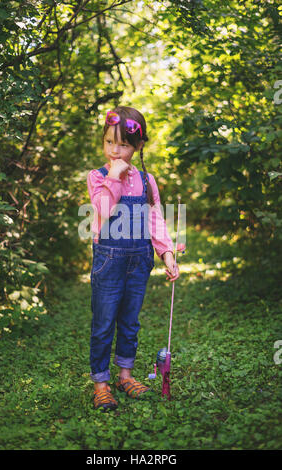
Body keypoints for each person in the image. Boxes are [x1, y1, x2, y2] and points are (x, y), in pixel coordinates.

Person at [87, 106, 180, 412]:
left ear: (138, 146)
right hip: (109, 260)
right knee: (104, 323)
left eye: (123, 144)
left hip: (139, 260)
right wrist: (114, 175)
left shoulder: (145, 179)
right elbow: (102, 210)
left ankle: (125, 375)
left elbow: (155, 218)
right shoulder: (97, 177)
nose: (115, 150)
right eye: (109, 142)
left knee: (129, 322)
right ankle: (101, 382)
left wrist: (166, 253)